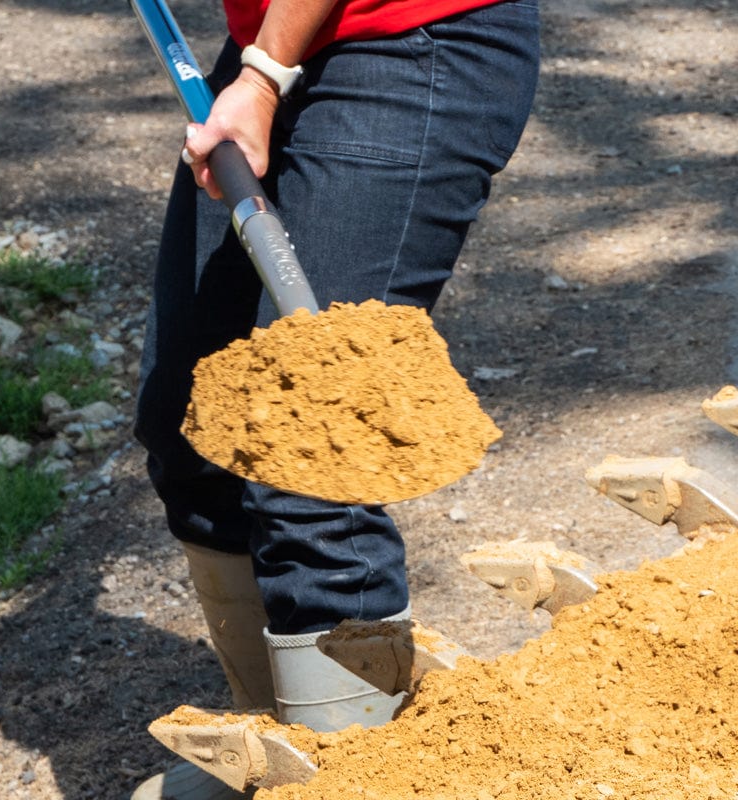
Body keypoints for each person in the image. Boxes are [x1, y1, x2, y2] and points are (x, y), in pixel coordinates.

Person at [133, 0, 539, 796]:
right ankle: (286, 753)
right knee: (193, 427)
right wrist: (262, 62)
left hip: (408, 43)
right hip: (276, 40)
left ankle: (359, 779)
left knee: (309, 450)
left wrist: (263, 75)